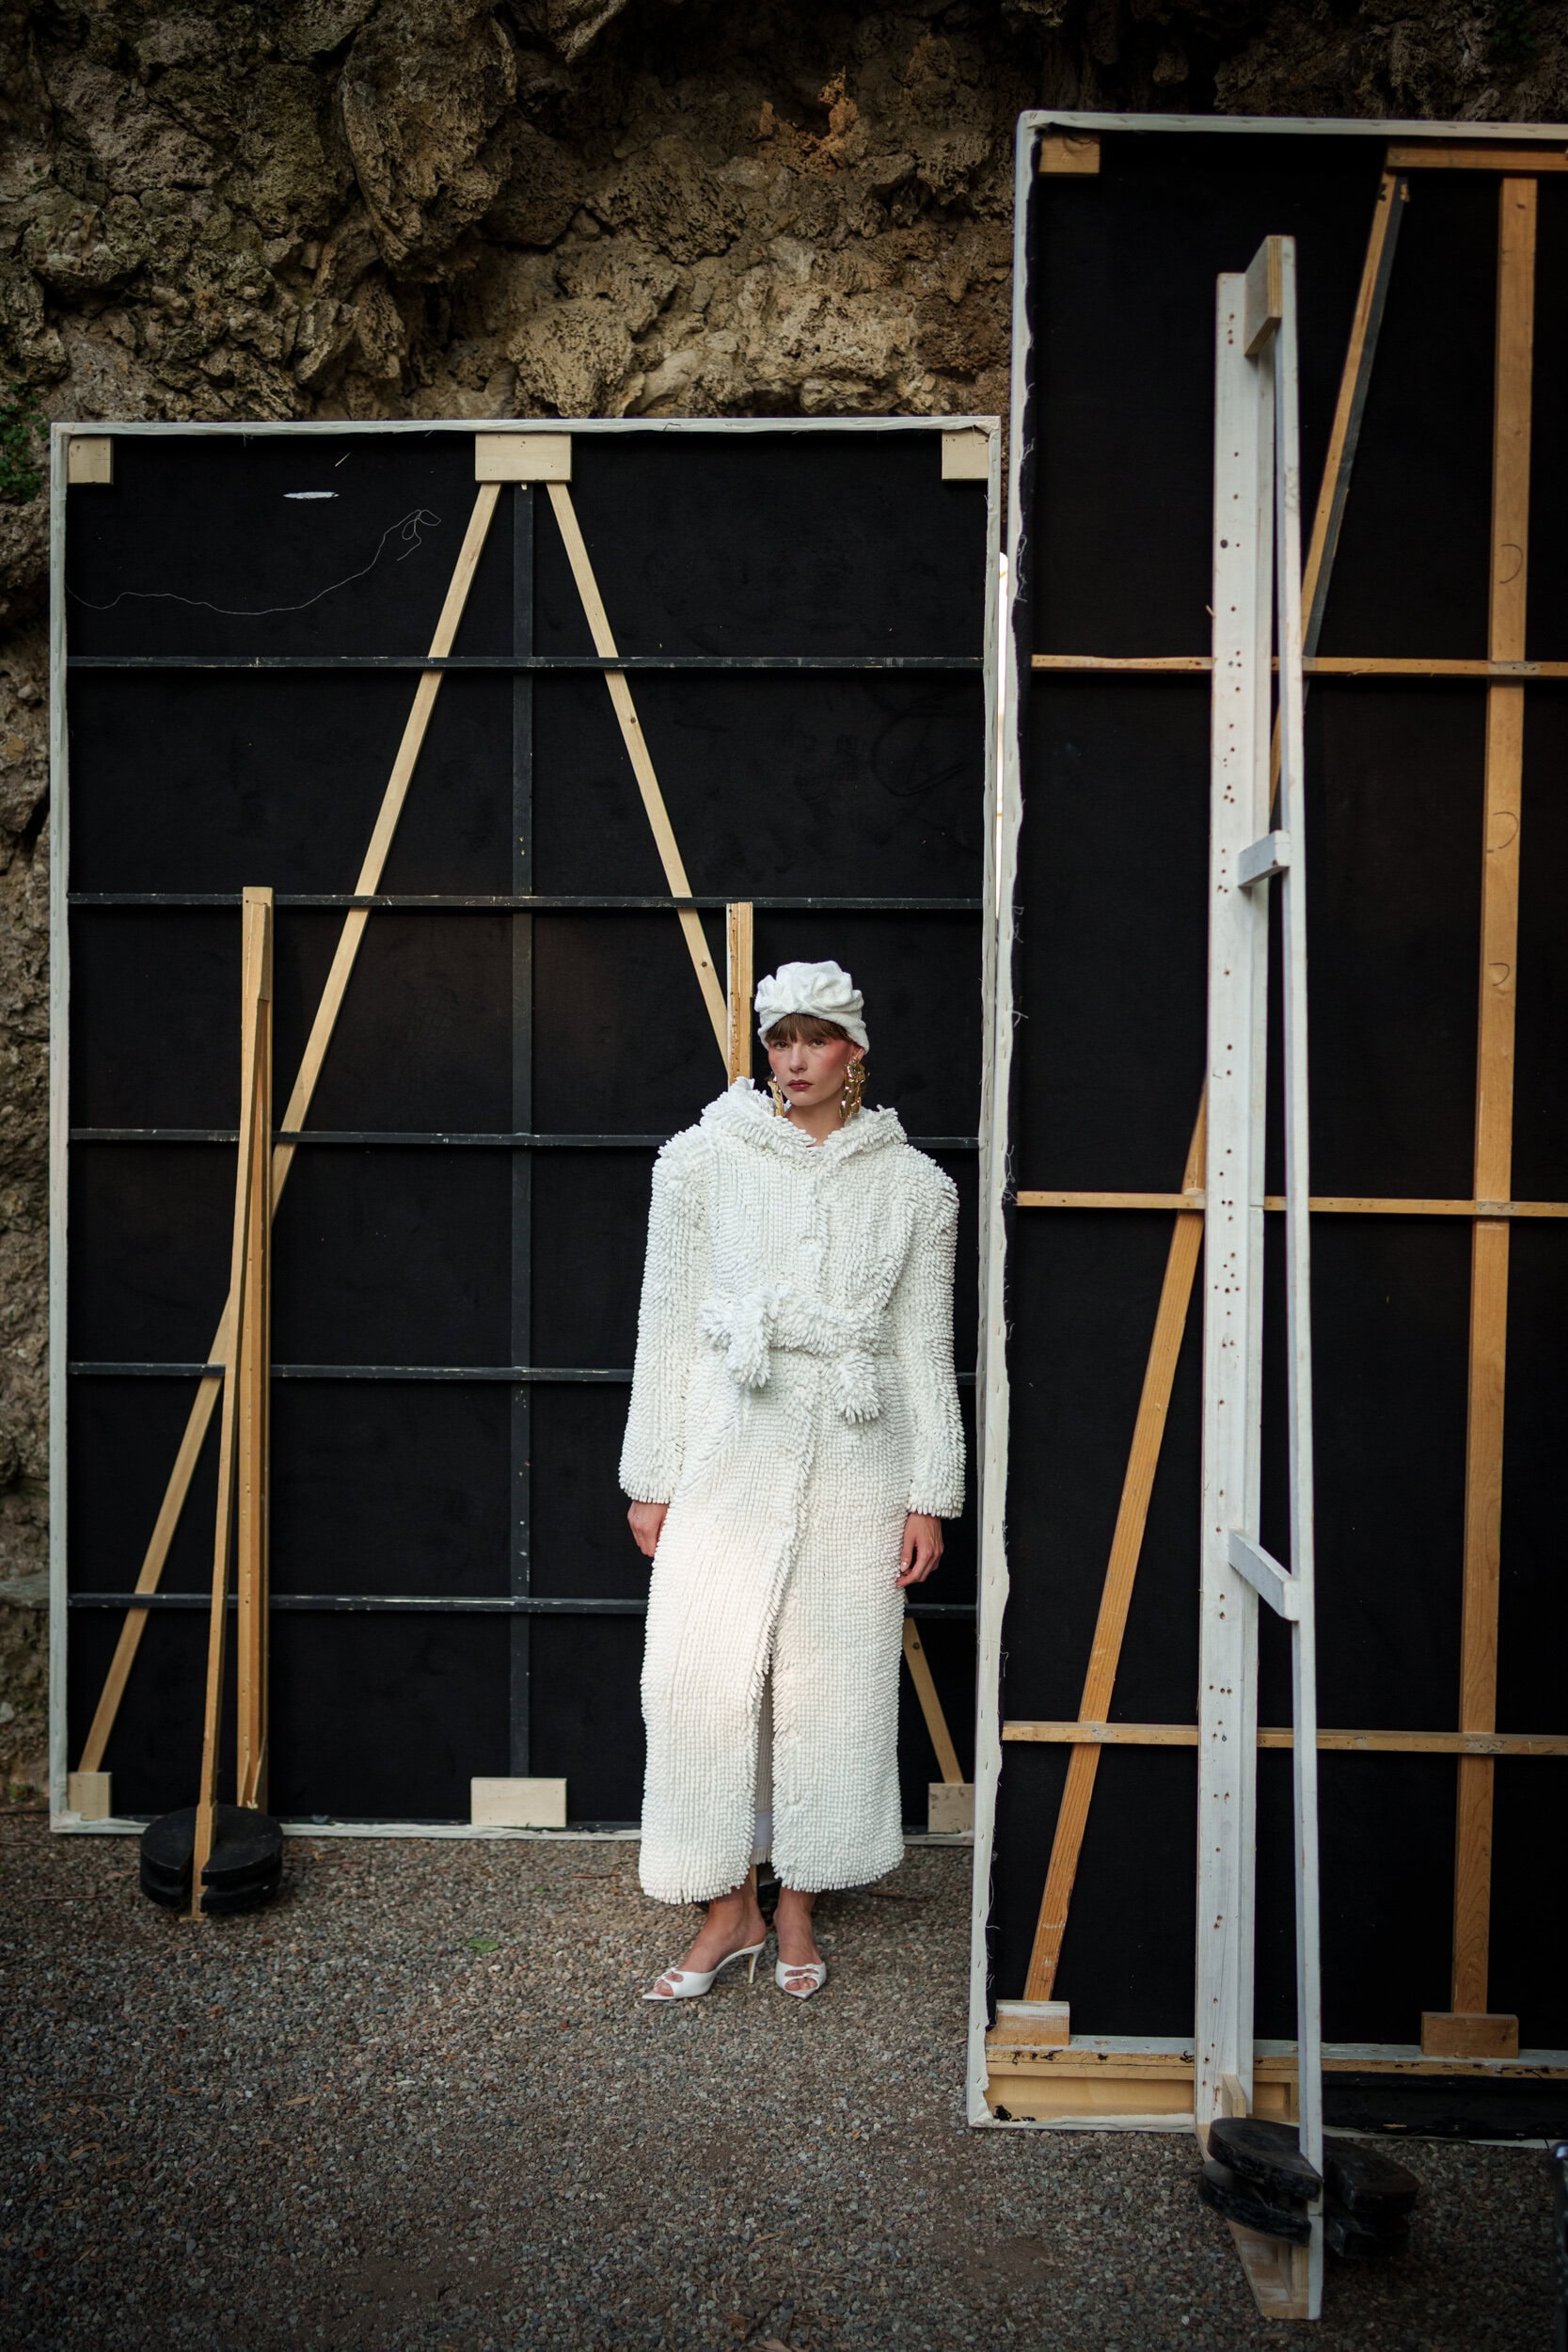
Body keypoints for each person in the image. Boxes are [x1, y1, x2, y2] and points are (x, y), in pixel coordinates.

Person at [619, 958, 965, 2001]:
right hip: (729, 1448)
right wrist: (651, 1476)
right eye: (780, 1040)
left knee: (831, 1678)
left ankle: (800, 1899)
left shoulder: (915, 1188)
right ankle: (725, 1907)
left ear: (853, 1050)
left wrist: (929, 1491)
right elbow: (666, 1324)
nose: (796, 1059)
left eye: (816, 1039)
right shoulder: (699, 1161)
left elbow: (922, 1346)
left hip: (860, 1453)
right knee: (699, 1674)